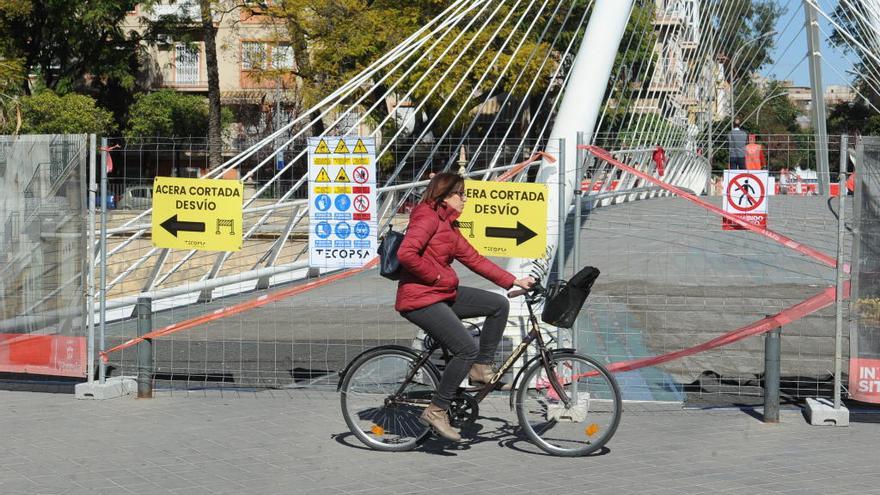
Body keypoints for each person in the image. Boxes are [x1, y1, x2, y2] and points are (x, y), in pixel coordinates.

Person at [395, 172, 534, 442]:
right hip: (420, 298)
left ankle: (481, 369)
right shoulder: (426, 216)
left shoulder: (447, 224)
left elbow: (474, 259)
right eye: (460, 193)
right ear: (444, 194)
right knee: (466, 347)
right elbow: (406, 254)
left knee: (498, 304)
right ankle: (436, 410)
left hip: (440, 293)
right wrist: (436, 276)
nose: (465, 198)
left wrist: (513, 281)